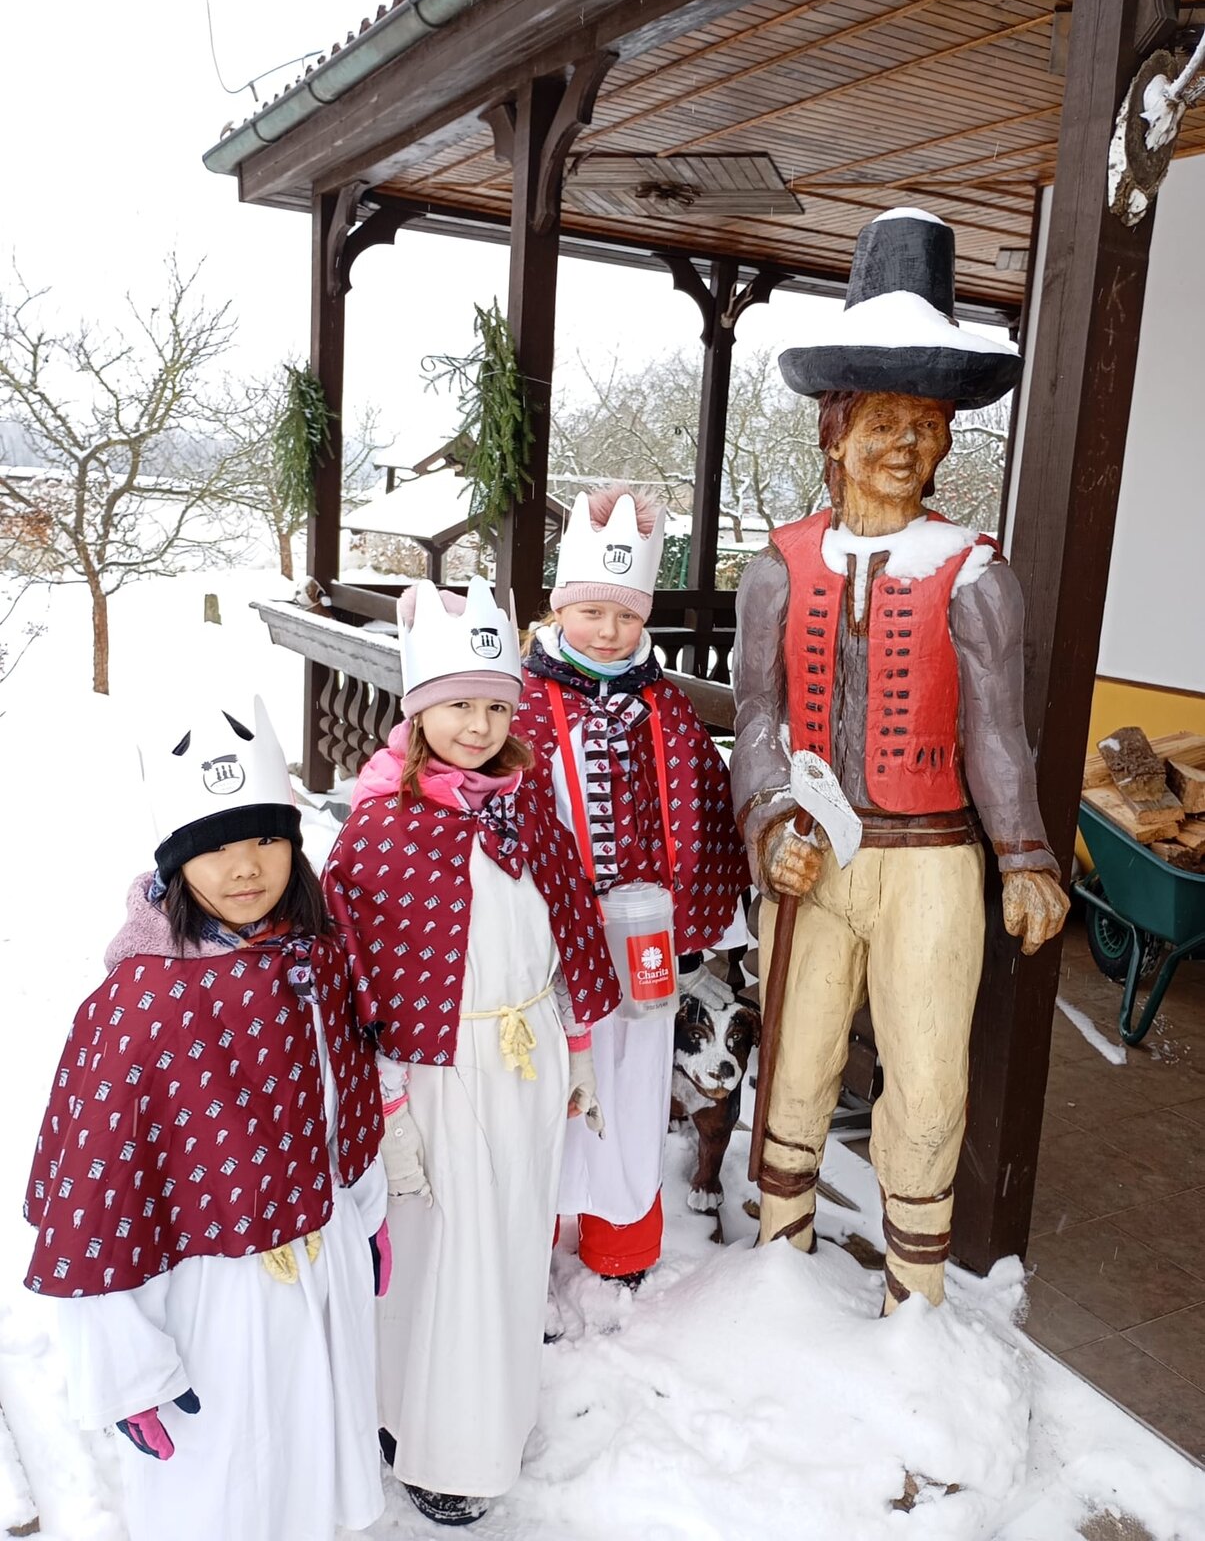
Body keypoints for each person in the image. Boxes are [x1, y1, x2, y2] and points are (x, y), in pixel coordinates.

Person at [731, 208, 1070, 1313]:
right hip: (811, 854)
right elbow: (757, 716)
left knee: (925, 1080)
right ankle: (776, 1269)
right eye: (881, 421)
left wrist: (1022, 854)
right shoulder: (777, 567)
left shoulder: (973, 573)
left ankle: (913, 1303)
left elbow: (995, 732)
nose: (904, 445)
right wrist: (767, 819)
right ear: (833, 434)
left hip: (929, 859)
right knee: (795, 1059)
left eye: (925, 425)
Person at [23, 697, 387, 1541]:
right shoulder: (140, 1004)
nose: (245, 868)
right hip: (212, 1299)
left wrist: (364, 1212)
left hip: (318, 1263)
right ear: (176, 862)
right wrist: (125, 1369)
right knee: (225, 1492)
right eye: (214, 847)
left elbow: (343, 1097)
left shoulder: (311, 955)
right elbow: (96, 1203)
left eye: (265, 838)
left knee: (309, 1479)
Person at [322, 576, 620, 1528]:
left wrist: (577, 1048)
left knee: (508, 1250)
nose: (478, 726)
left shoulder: (524, 809)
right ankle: (430, 1439)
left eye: (495, 706)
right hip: (439, 1077)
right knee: (444, 1258)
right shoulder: (379, 831)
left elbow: (566, 931)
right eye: (457, 706)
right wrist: (388, 1109)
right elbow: (357, 984)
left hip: (524, 1065)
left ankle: (485, 1420)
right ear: (418, 712)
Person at [516, 485, 750, 1285]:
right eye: (592, 613)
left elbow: (701, 810)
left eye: (625, 616)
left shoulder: (666, 708)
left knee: (633, 1085)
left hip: (643, 941)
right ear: (560, 609)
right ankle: (529, 1240)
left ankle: (620, 1245)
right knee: (546, 1088)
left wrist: (693, 923)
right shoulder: (520, 705)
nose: (609, 631)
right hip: (548, 945)